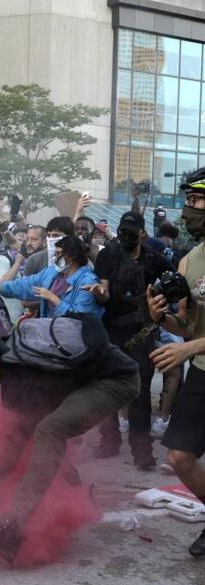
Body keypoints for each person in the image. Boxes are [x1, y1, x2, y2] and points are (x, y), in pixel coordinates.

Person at [0, 315, 140, 562]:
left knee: (49, 431)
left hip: (115, 381)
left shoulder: (21, 369)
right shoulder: (13, 359)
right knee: (47, 438)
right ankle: (78, 498)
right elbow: (15, 442)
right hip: (87, 383)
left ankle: (13, 527)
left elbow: (17, 442)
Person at [145, 167, 205, 557]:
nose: (187, 209)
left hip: (195, 361)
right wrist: (160, 318)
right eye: (186, 201)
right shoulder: (191, 261)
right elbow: (187, 326)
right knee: (179, 458)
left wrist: (189, 349)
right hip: (202, 374)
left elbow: (189, 344)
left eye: (196, 201)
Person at [90, 211, 173, 469]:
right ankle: (109, 442)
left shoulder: (153, 258)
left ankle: (142, 452)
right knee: (107, 390)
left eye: (131, 232)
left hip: (142, 333)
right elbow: (103, 289)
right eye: (123, 231)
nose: (126, 236)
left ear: (142, 234)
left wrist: (161, 302)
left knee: (141, 394)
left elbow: (174, 280)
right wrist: (100, 292)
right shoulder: (108, 255)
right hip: (112, 330)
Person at [0, 235, 103, 318]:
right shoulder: (51, 273)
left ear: (72, 256)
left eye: (58, 254)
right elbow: (25, 286)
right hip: (50, 331)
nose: (55, 258)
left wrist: (52, 298)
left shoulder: (87, 281)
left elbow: (81, 318)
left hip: (74, 340)